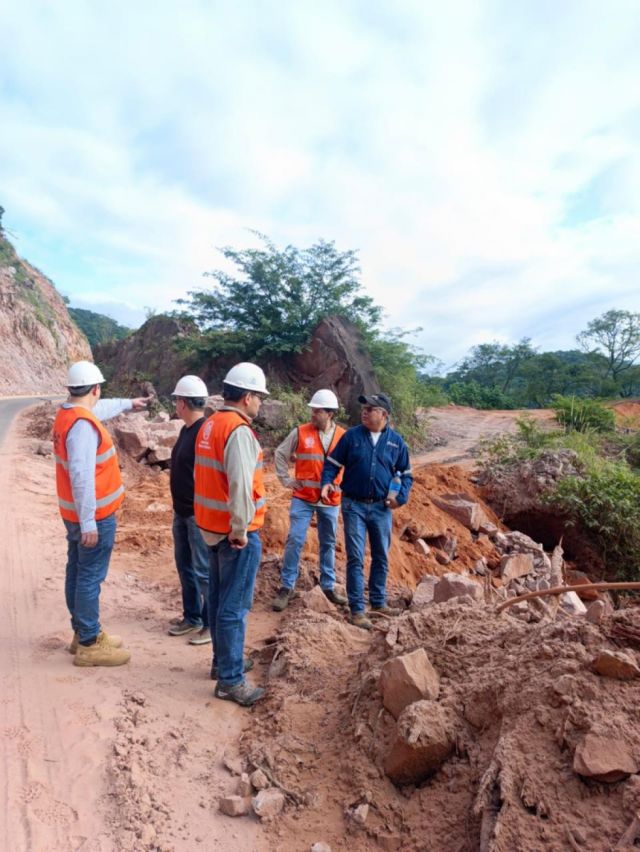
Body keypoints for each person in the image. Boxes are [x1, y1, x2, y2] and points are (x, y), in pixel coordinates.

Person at [52, 360, 151, 665]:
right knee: (89, 576)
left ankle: (82, 631)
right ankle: (90, 643)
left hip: (76, 514)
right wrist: (88, 522)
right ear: (95, 389)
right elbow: (81, 476)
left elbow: (100, 408)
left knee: (78, 570)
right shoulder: (82, 426)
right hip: (93, 516)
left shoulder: (71, 414)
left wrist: (128, 404)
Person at [194, 362, 268, 707]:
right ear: (248, 396)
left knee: (220, 601)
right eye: (260, 398)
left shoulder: (210, 424)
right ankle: (231, 680)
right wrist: (240, 530)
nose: (261, 405)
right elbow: (239, 486)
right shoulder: (238, 431)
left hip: (210, 527)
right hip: (234, 534)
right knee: (233, 608)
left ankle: (222, 663)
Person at [320, 392, 413, 630]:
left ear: (384, 415)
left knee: (381, 555)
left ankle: (378, 602)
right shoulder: (351, 437)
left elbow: (406, 474)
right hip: (354, 506)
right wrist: (327, 483)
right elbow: (332, 465)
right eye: (364, 408)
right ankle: (357, 610)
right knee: (355, 557)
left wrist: (400, 499)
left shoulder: (396, 442)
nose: (364, 411)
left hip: (382, 508)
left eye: (370, 409)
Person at [272, 389, 348, 611]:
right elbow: (280, 453)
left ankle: (328, 586)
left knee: (328, 542)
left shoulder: (343, 436)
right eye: (313, 410)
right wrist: (286, 480)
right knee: (295, 539)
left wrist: (342, 485)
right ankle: (287, 587)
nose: (313, 414)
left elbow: (351, 464)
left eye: (318, 411)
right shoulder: (300, 432)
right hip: (303, 498)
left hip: (330, 500)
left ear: (330, 414)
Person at [167, 375, 212, 645]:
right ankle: (192, 616)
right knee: (185, 567)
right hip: (181, 512)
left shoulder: (204, 432)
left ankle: (209, 624)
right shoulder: (186, 430)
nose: (175, 405)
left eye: (176, 401)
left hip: (197, 515)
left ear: (182, 403)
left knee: (203, 571)